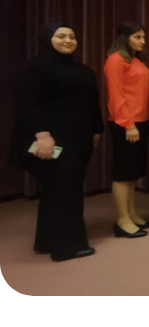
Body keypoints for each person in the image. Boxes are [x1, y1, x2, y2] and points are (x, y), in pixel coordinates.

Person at [11, 23, 103, 261]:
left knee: (58, 190)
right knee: (65, 191)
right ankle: (67, 247)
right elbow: (27, 104)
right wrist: (42, 135)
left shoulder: (83, 70)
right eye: (61, 36)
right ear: (47, 39)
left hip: (79, 141)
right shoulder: (34, 67)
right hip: (50, 141)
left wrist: (97, 130)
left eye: (72, 36)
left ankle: (46, 241)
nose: (68, 40)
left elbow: (92, 103)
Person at [104, 21, 149, 238]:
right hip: (125, 123)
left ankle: (132, 214)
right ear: (125, 38)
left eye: (143, 37)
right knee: (123, 173)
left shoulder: (135, 60)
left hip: (140, 121)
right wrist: (128, 124)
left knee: (132, 173)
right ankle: (122, 220)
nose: (143, 41)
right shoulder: (115, 60)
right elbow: (116, 96)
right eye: (137, 37)